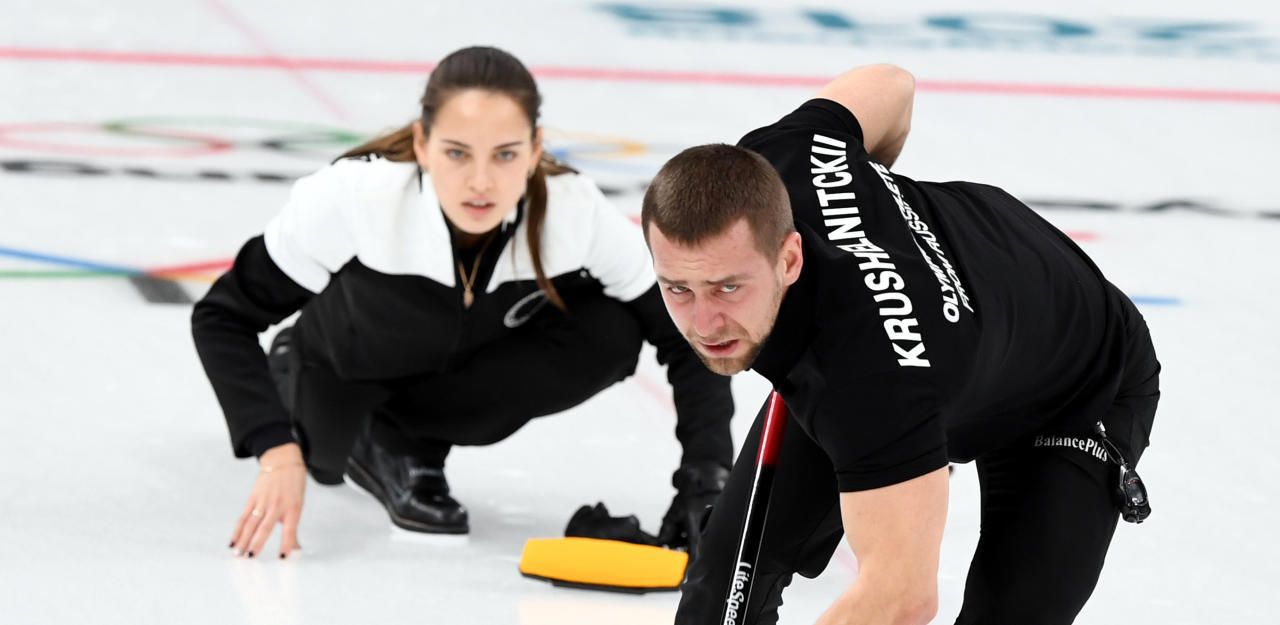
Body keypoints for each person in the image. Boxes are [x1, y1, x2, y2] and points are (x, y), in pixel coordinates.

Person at [640, 64, 1160, 624]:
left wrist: (880, 292)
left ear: (789, 258)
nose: (706, 321)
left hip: (1076, 384)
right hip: (938, 342)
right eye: (679, 289)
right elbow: (890, 84)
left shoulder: (874, 380)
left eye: (728, 287)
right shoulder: (783, 155)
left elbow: (903, 599)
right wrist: (872, 224)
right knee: (721, 594)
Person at [191, 46, 734, 560]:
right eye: (456, 153)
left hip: (446, 383)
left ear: (535, 149)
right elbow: (223, 316)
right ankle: (321, 395)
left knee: (610, 331)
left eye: (505, 155)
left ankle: (407, 441)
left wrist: (709, 477)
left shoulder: (573, 212)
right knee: (324, 455)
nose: (480, 182)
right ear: (423, 144)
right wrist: (275, 448)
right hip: (343, 367)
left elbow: (686, 335)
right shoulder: (355, 199)